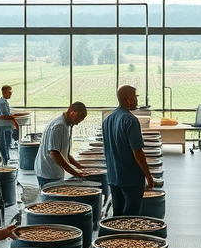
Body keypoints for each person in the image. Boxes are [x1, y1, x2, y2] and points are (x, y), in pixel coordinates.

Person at [102, 85, 156, 216]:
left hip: (113, 175)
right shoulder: (131, 120)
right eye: (135, 97)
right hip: (131, 177)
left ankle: (115, 236)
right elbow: (137, 152)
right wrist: (148, 175)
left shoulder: (107, 120)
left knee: (117, 213)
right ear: (129, 100)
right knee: (131, 214)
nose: (137, 100)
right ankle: (127, 236)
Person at [35, 102, 89, 186]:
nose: (77, 123)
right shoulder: (59, 126)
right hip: (49, 172)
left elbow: (65, 153)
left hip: (53, 171)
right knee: (52, 198)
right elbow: (54, 153)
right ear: (73, 113)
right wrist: (73, 172)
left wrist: (79, 167)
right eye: (78, 120)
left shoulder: (65, 124)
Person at [0, 85, 19, 165]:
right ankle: (5, 163)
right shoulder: (1, 103)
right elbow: (6, 116)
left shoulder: (3, 102)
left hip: (6, 127)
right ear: (4, 92)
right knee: (4, 146)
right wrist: (16, 124)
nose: (11, 94)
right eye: (9, 92)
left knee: (6, 145)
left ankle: (6, 161)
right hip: (3, 128)